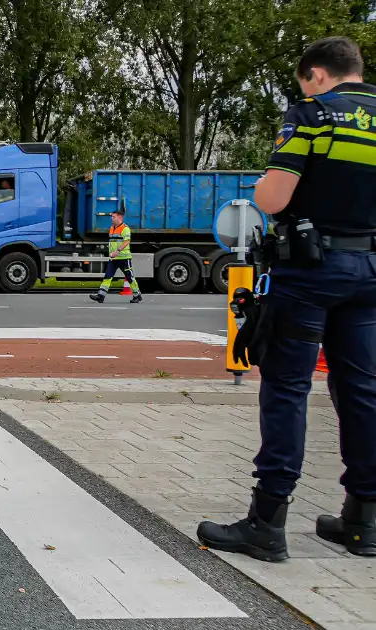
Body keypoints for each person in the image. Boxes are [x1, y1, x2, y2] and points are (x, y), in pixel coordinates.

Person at [198, 36, 376, 561]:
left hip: (312, 269)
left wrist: (263, 187)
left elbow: (273, 196)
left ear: (317, 75)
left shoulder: (313, 115)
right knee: (363, 391)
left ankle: (267, 521)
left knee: (287, 388)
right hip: (370, 269)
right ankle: (362, 520)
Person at [89, 206, 142, 303]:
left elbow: (126, 242)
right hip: (113, 259)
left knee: (130, 277)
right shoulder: (111, 228)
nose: (111, 219)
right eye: (111, 217)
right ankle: (101, 296)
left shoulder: (125, 229)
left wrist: (117, 251)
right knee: (107, 276)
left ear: (120, 217)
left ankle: (137, 294)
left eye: (114, 217)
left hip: (124, 258)